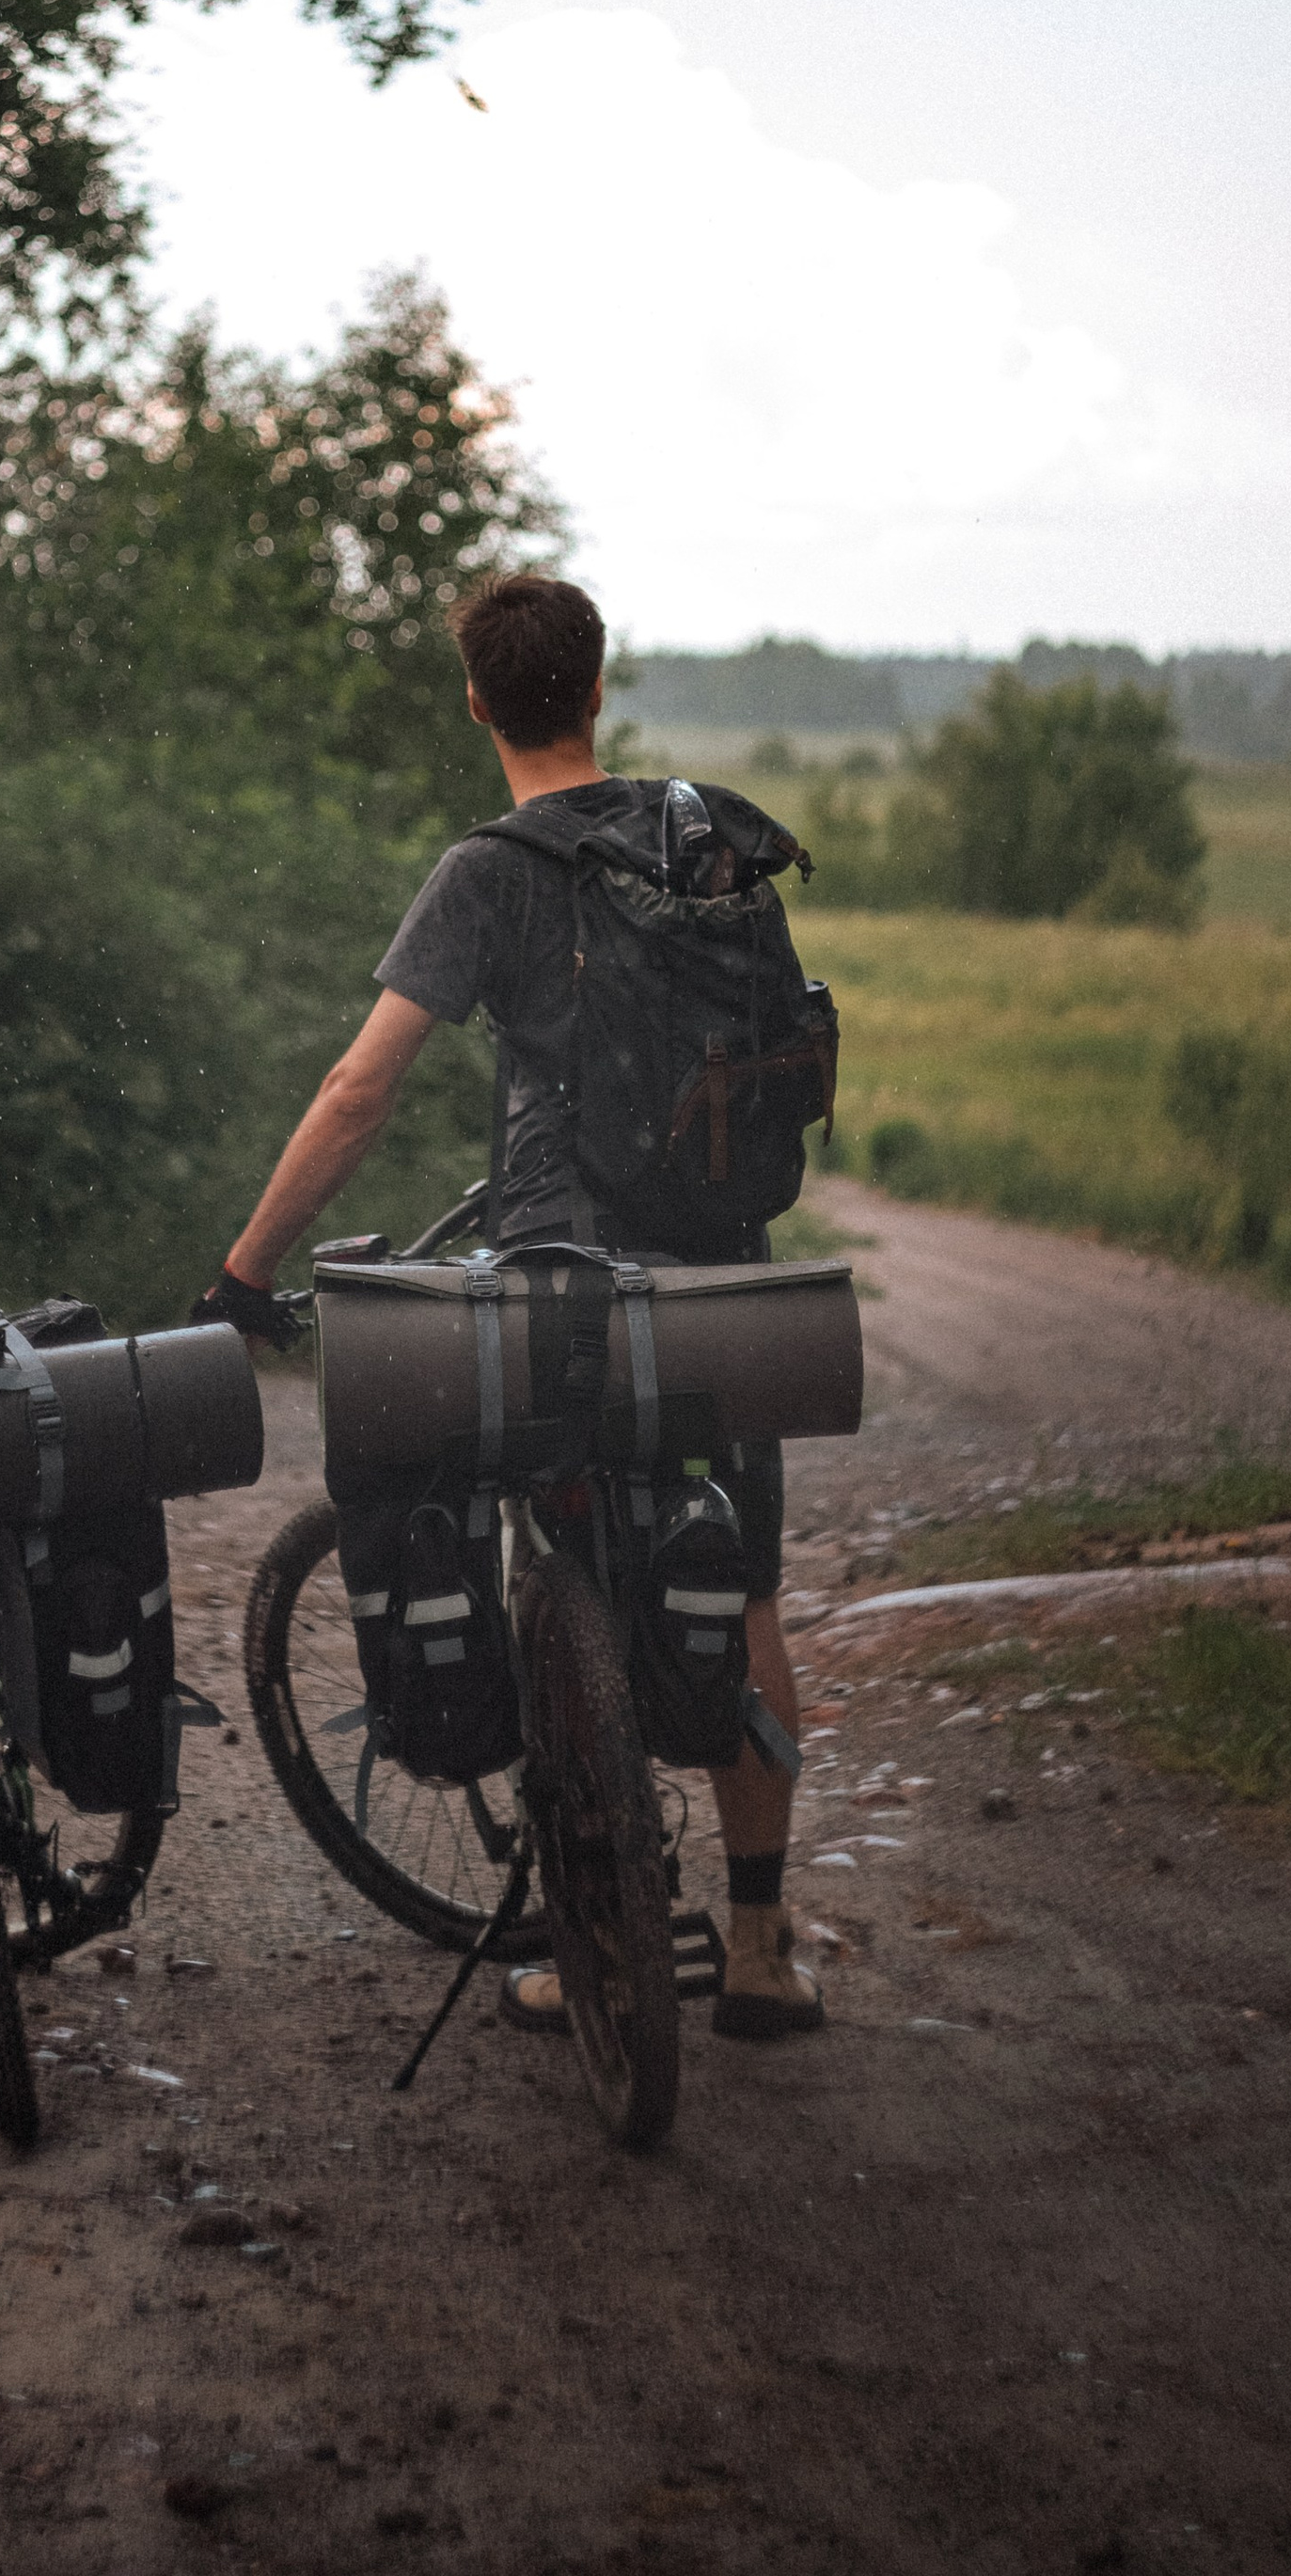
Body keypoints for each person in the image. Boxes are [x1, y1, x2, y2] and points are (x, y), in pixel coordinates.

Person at [193, 570, 823, 2044]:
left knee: (557, 1556)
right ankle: (759, 1946)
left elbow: (361, 1091)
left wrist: (245, 1271)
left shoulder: (487, 872)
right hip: (725, 1271)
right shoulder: (714, 837)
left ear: (478, 701)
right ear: (600, 687)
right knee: (750, 1588)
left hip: (565, 1278)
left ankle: (586, 1935)